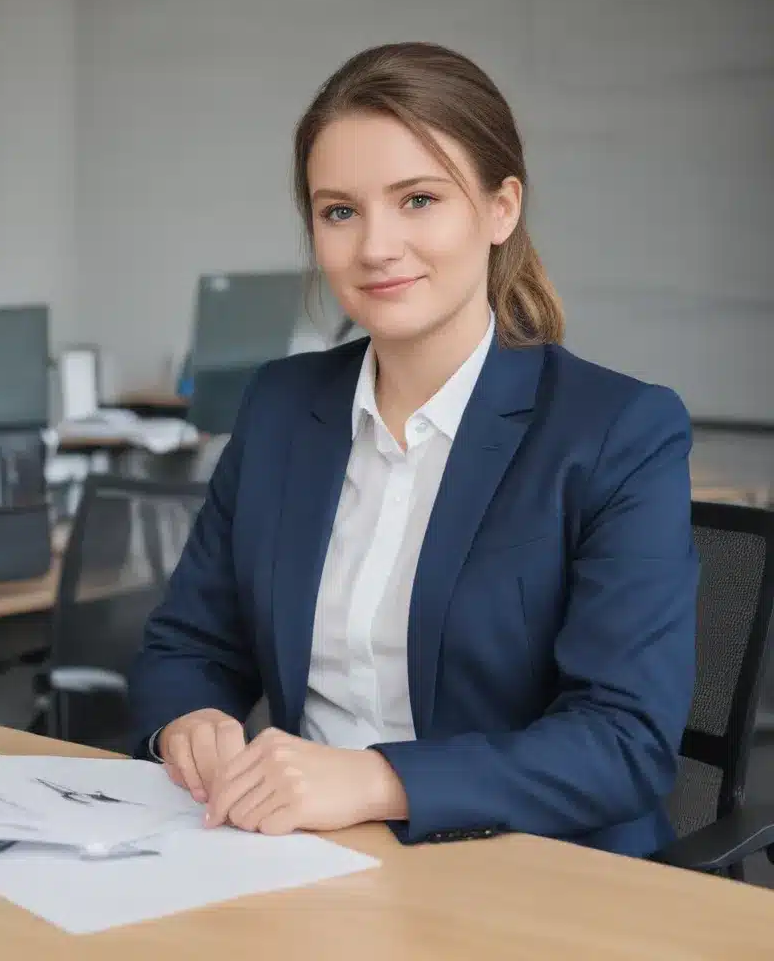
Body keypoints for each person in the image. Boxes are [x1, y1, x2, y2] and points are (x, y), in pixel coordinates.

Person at [128, 42, 698, 857]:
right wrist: (191, 721)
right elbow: (188, 645)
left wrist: (371, 778)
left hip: (536, 870)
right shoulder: (283, 407)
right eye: (340, 211)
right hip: (302, 860)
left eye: (419, 200)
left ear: (500, 210)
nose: (375, 248)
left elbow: (622, 740)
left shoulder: (617, 430)